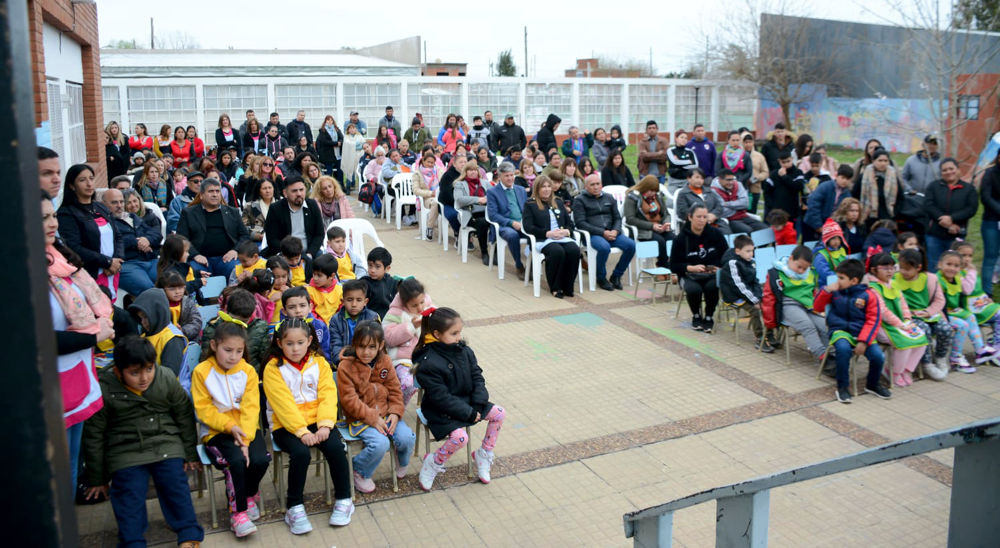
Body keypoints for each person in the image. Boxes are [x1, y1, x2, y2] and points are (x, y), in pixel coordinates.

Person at [82, 337, 203, 547]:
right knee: (128, 491)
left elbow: (183, 415)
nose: (144, 378)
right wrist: (97, 478)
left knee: (174, 482)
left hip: (166, 441)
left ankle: (188, 533)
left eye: (149, 369)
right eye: (134, 373)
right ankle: (132, 541)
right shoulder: (105, 389)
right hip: (125, 450)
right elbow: (94, 434)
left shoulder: (164, 377)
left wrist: (189, 453)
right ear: (119, 372)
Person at [43, 190, 113, 496]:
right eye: (40, 217)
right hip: (46, 392)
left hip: (77, 377)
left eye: (51, 215)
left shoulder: (60, 259)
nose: (50, 223)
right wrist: (94, 336)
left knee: (70, 468)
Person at [262, 318, 354, 533]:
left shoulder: (319, 363)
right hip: (286, 425)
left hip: (317, 421)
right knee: (301, 454)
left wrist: (324, 425)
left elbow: (328, 395)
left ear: (309, 340)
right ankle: (294, 507)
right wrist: (301, 432)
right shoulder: (273, 368)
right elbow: (282, 405)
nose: (295, 349)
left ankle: (344, 499)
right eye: (289, 344)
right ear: (279, 343)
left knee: (335, 448)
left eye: (300, 343)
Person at [191, 321, 268, 537]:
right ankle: (238, 513)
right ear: (214, 345)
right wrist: (229, 427)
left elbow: (251, 407)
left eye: (239, 351)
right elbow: (204, 410)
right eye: (228, 350)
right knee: (236, 460)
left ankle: (249, 494)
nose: (233, 356)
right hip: (217, 432)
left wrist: (245, 437)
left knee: (261, 459)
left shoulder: (248, 371)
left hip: (246, 428)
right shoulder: (201, 372)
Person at [415, 307, 506, 489]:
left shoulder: (464, 351)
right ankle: (434, 462)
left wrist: (478, 405)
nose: (458, 338)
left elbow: (477, 376)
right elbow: (440, 397)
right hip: (440, 409)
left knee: (499, 414)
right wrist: (468, 413)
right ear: (437, 334)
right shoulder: (428, 362)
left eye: (459, 333)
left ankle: (483, 453)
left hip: (469, 402)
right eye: (453, 333)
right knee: (460, 438)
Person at [335, 320, 415, 493]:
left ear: (381, 345)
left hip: (386, 414)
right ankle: (360, 469)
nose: (366, 352)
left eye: (372, 347)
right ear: (354, 344)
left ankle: (402, 459)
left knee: (406, 438)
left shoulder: (385, 360)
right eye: (361, 346)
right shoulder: (345, 366)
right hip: (360, 418)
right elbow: (349, 400)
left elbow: (395, 390)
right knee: (380, 444)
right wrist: (372, 417)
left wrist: (395, 412)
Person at [814, 259, 892, 403]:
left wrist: (863, 341)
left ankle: (872, 385)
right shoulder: (835, 291)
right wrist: (826, 291)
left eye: (841, 278)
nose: (838, 281)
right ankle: (842, 387)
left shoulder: (870, 295)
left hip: (863, 333)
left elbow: (873, 320)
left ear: (854, 280)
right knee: (842, 350)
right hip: (840, 330)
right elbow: (817, 307)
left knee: (878, 356)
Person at [866, 253, 929, 387]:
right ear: (873, 270)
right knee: (904, 341)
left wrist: (907, 319)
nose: (890, 271)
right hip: (880, 326)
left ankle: (906, 369)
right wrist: (900, 325)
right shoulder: (873, 288)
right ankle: (894, 372)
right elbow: (883, 312)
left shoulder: (893, 283)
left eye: (892, 267)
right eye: (885, 268)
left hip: (899, 324)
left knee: (921, 338)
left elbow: (903, 303)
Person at [57, 164, 124, 289]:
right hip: (91, 275)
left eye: (91, 178)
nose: (89, 184)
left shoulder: (101, 207)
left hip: (112, 271)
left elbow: (118, 236)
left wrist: (117, 260)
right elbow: (74, 248)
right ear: (72, 185)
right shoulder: (67, 213)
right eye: (82, 180)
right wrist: (107, 262)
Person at [936, 250, 1000, 371]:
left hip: (953, 311)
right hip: (940, 313)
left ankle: (980, 348)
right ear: (940, 264)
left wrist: (984, 299)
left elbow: (962, 295)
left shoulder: (958, 279)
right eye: (948, 264)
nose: (952, 268)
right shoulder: (937, 280)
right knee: (963, 325)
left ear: (960, 268)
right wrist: (945, 320)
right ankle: (955, 358)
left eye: (956, 266)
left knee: (970, 316)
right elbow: (939, 304)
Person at [893, 249, 952, 380]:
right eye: (901, 267)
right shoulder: (895, 279)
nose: (903, 271)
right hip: (908, 316)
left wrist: (928, 312)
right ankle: (926, 363)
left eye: (907, 269)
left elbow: (939, 300)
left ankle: (940, 357)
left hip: (927, 313)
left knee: (945, 329)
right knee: (923, 331)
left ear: (918, 267)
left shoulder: (930, 279)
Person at [762, 246, 829, 361]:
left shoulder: (809, 273)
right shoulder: (776, 273)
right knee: (807, 326)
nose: (801, 271)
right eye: (799, 267)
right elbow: (768, 298)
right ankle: (823, 356)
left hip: (808, 306)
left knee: (824, 325)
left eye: (805, 268)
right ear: (791, 258)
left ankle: (831, 352)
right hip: (789, 305)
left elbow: (813, 292)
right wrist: (770, 323)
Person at [669, 204, 728, 332]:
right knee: (694, 289)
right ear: (690, 217)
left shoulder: (715, 234)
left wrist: (719, 268)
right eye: (698, 216)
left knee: (712, 287)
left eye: (705, 217)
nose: (702, 220)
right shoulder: (680, 239)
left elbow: (727, 257)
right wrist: (691, 268)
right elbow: (673, 265)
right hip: (689, 275)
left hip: (711, 274)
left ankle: (709, 316)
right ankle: (696, 315)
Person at [176, 178, 250, 280]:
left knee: (237, 270)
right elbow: (181, 238)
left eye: (217, 191)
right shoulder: (189, 213)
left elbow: (245, 236)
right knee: (192, 271)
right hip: (200, 259)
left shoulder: (232, 212)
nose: (215, 195)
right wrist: (195, 255)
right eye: (210, 191)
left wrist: (235, 250)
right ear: (201, 195)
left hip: (227, 259)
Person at [521, 176, 580, 298]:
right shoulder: (530, 204)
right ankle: (556, 287)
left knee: (574, 250)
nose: (547, 189)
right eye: (543, 187)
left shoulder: (558, 202)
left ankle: (568, 286)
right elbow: (528, 227)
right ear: (537, 189)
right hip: (543, 239)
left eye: (549, 186)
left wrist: (565, 232)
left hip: (561, 236)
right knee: (557, 252)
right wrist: (547, 233)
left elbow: (570, 223)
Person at [574, 174, 636, 290]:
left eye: (598, 184)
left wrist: (616, 231)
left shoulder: (609, 197)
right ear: (586, 187)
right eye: (592, 185)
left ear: (602, 185)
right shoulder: (579, 200)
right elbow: (580, 223)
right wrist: (602, 232)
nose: (596, 187)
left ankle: (616, 275)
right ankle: (601, 277)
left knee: (631, 245)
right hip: (593, 235)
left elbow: (617, 218)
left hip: (611, 233)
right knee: (604, 247)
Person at [382, 278, 432, 406]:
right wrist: (411, 326)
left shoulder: (429, 306)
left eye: (422, 302)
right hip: (403, 360)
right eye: (414, 305)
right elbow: (389, 338)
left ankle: (435, 411)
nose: (420, 307)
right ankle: (397, 408)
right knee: (408, 384)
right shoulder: (395, 313)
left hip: (426, 357)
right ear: (404, 303)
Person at [104, 189, 161, 297]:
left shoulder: (133, 217)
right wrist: (136, 243)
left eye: (121, 202)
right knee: (148, 289)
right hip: (128, 263)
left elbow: (156, 233)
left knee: (170, 280)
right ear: (104, 204)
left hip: (151, 260)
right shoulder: (106, 222)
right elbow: (116, 240)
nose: (119, 205)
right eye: (114, 202)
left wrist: (147, 240)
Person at [924, 158, 979, 270]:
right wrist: (945, 222)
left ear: (958, 170)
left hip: (957, 235)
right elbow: (928, 205)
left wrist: (952, 218)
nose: (948, 172)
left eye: (951, 169)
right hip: (935, 234)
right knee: (934, 264)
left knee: (955, 265)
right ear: (941, 173)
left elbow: (971, 209)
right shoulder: (933, 186)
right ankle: (934, 287)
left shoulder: (969, 189)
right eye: (944, 170)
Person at [720, 234, 770, 351]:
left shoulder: (750, 262)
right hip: (733, 295)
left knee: (768, 304)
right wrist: (754, 300)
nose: (751, 254)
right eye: (747, 251)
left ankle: (770, 334)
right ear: (738, 251)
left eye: (752, 251)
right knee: (754, 309)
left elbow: (755, 282)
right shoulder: (732, 263)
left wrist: (759, 297)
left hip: (747, 293)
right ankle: (760, 337)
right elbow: (739, 286)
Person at [262, 177, 324, 260]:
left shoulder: (312, 205)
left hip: (309, 251)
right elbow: (272, 239)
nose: (299, 194)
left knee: (326, 263)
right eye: (294, 191)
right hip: (284, 253)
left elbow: (319, 234)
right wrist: (290, 254)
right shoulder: (276, 208)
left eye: (301, 190)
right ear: (285, 193)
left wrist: (310, 254)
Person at [486, 162, 528, 279]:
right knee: (512, 235)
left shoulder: (521, 190)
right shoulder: (492, 192)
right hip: (505, 225)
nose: (510, 178)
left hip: (523, 223)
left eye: (511, 175)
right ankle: (519, 265)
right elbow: (493, 215)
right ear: (499, 177)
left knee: (538, 232)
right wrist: (511, 223)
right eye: (506, 176)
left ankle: (533, 265)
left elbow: (528, 209)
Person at [624, 175, 672, 271]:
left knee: (673, 239)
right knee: (660, 242)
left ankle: (668, 265)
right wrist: (651, 226)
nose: (653, 193)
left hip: (659, 226)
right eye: (651, 190)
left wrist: (666, 224)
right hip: (643, 229)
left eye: (655, 191)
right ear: (644, 187)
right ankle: (664, 268)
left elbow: (666, 214)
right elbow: (630, 219)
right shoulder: (633, 197)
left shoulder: (657, 197)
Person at [329, 279, 380, 366]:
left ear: (365, 302)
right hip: (344, 362)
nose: (354, 304)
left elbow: (376, 345)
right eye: (349, 300)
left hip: (368, 362)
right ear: (343, 301)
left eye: (359, 300)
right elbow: (335, 344)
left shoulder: (372, 317)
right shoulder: (335, 320)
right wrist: (339, 360)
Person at [854, 149, 904, 230]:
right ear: (873, 161)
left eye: (885, 161)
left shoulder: (893, 176)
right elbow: (855, 194)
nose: (883, 163)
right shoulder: (865, 176)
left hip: (887, 217)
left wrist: (895, 213)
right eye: (880, 160)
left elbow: (900, 197)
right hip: (868, 217)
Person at [454, 159, 492, 265]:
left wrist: (487, 199)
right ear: (465, 172)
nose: (473, 172)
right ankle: (484, 252)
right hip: (469, 213)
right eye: (470, 170)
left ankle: (496, 252)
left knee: (498, 223)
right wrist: (477, 200)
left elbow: (494, 195)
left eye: (475, 170)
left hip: (486, 212)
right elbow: (459, 199)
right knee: (482, 223)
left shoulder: (485, 183)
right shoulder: (459, 184)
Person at [711, 168, 767, 234]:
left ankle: (759, 244)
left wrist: (727, 204)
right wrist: (738, 207)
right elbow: (722, 210)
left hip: (744, 216)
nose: (731, 182)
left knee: (764, 229)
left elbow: (745, 203)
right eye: (728, 180)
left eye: (732, 179)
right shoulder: (713, 190)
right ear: (720, 179)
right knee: (748, 231)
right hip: (730, 219)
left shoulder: (738, 184)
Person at [676, 167, 729, 235]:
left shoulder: (709, 191)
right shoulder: (683, 193)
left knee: (726, 234)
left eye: (702, 178)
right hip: (696, 224)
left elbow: (718, 206)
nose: (699, 180)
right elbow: (682, 211)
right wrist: (703, 217)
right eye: (697, 177)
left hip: (715, 221)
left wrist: (714, 215)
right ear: (688, 178)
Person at [805, 165, 855, 236]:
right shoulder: (825, 186)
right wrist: (818, 226)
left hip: (831, 228)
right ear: (836, 175)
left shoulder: (847, 195)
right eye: (843, 178)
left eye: (848, 179)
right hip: (812, 225)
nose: (845, 181)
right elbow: (813, 205)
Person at [763, 150, 805, 225]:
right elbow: (766, 191)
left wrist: (785, 177)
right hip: (777, 213)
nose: (786, 164)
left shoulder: (798, 173)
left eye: (788, 161)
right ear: (779, 161)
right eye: (783, 162)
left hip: (792, 212)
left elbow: (797, 188)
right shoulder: (774, 174)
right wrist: (772, 207)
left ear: (792, 159)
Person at [361, 247, 398, 320]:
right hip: (370, 321)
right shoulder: (363, 283)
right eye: (370, 265)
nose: (372, 270)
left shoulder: (393, 282)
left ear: (387, 268)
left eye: (377, 267)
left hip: (390, 320)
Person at [413, 153, 441, 241]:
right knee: (435, 202)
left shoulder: (438, 171)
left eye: (432, 163)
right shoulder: (418, 173)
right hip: (427, 198)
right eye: (428, 162)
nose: (430, 164)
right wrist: (430, 193)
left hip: (439, 196)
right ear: (423, 161)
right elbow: (416, 190)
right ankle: (430, 228)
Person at [666, 129, 699, 198]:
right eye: (681, 137)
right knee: (670, 203)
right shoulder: (670, 150)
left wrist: (679, 164)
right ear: (676, 139)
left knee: (687, 201)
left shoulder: (690, 152)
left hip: (686, 181)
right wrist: (688, 161)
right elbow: (674, 162)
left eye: (686, 138)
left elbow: (695, 166)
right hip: (673, 181)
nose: (684, 139)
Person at [242, 178, 274, 246]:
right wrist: (259, 236)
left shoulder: (282, 203)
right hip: (258, 241)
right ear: (259, 191)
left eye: (270, 188)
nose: (268, 191)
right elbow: (244, 229)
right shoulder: (249, 206)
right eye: (264, 188)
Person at [341, 123, 365, 193]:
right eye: (350, 128)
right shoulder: (346, 136)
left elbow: (363, 143)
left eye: (353, 128)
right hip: (349, 156)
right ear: (348, 130)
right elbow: (347, 144)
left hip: (359, 155)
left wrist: (355, 145)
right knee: (349, 171)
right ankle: (348, 187)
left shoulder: (359, 135)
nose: (352, 130)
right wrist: (357, 144)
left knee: (358, 171)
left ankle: (360, 187)